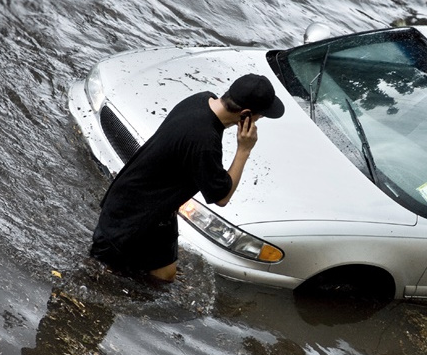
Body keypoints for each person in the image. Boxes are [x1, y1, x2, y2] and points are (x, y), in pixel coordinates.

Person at [89, 74, 284, 282]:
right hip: (130, 219)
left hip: (156, 210)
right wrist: (244, 150)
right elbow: (222, 197)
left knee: (164, 276)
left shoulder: (200, 99)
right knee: (99, 277)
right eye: (259, 117)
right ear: (245, 114)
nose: (257, 122)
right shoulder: (204, 140)